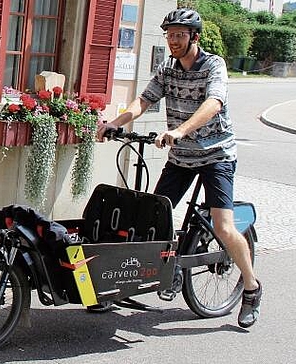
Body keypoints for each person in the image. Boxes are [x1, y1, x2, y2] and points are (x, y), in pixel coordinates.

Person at [97, 8, 262, 328]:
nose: (173, 41)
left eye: (179, 35)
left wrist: (180, 130)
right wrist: (115, 123)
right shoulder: (167, 69)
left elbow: (213, 103)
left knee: (224, 227)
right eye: (169, 35)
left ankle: (252, 287)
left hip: (217, 156)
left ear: (194, 37)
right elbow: (143, 100)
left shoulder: (213, 65)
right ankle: (162, 273)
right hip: (181, 157)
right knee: (153, 218)